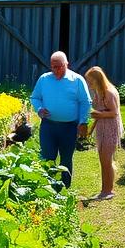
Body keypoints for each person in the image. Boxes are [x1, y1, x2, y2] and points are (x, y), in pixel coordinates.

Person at [29, 50, 90, 187]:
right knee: (48, 158)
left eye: (59, 66)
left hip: (69, 127)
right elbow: (35, 97)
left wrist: (83, 122)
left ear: (66, 64)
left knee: (66, 159)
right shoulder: (44, 79)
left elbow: (85, 102)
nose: (55, 70)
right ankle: (48, 188)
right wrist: (39, 109)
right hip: (48, 127)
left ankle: (64, 188)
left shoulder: (77, 80)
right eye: (53, 66)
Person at [84, 66, 123, 200]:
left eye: (90, 81)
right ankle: (104, 190)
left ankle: (108, 191)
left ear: (98, 80)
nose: (89, 84)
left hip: (110, 129)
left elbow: (114, 113)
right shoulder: (98, 92)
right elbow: (98, 114)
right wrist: (91, 129)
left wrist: (97, 114)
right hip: (102, 128)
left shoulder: (109, 92)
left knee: (106, 160)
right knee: (103, 160)